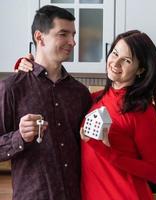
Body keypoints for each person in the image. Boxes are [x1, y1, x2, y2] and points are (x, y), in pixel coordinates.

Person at [15, 30, 156, 200]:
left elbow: (154, 172)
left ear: (140, 70)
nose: (116, 63)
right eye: (115, 53)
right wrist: (27, 67)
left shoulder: (142, 111)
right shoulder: (92, 99)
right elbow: (55, 94)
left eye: (127, 60)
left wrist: (107, 152)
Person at [0, 5, 92, 200]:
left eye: (73, 34)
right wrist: (20, 137)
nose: (73, 42)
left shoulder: (81, 93)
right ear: (39, 37)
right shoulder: (11, 88)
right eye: (63, 34)